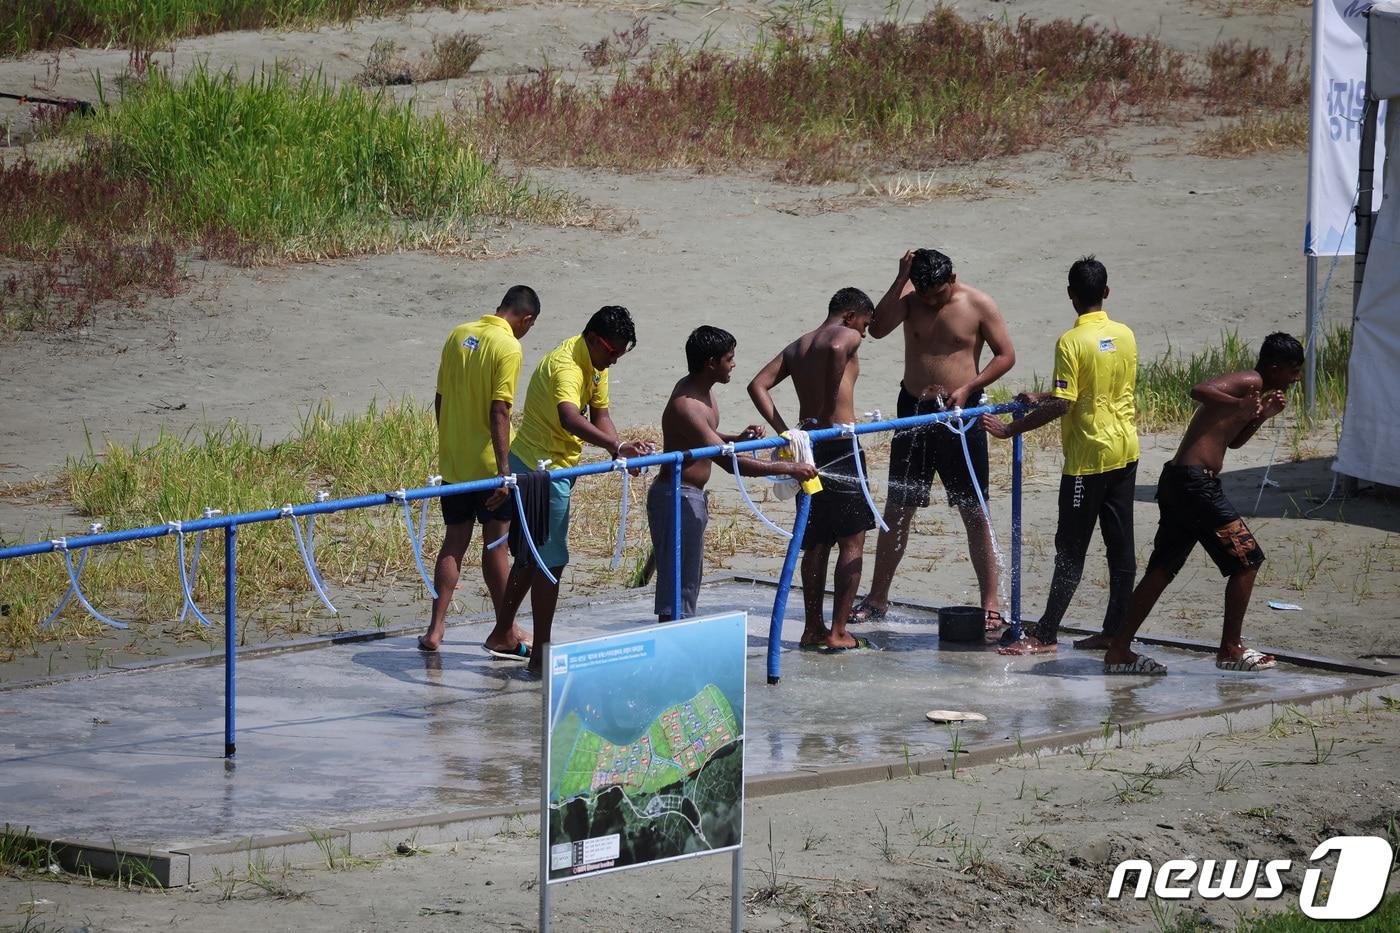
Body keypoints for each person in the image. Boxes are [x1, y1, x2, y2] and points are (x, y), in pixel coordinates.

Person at [1101, 333, 1305, 675]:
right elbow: (1197, 390)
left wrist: (1261, 415)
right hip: (1194, 485)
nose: (1296, 378)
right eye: (1293, 370)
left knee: (1163, 568)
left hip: (1184, 483)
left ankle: (1118, 650)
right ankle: (1230, 648)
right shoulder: (1249, 380)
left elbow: (1234, 440)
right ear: (1273, 367)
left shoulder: (1254, 393)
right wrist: (1237, 405)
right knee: (1248, 559)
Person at [982, 257, 1139, 655]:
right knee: (1121, 550)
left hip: (1088, 460)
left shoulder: (1071, 342)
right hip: (1126, 452)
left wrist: (1010, 429)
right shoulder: (1124, 334)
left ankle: (1046, 634)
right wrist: (1042, 395)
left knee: (1070, 548)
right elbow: (1089, 390)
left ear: (1071, 295)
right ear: (1106, 291)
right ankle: (1114, 631)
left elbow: (1064, 406)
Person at [853, 248, 1016, 630]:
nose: (932, 301)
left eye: (938, 294)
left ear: (953, 279)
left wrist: (971, 387)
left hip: (961, 414)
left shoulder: (978, 304)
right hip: (913, 411)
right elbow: (876, 329)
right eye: (924, 294)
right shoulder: (909, 302)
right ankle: (877, 598)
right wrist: (901, 278)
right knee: (898, 508)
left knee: (974, 511)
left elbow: (1006, 355)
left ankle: (989, 605)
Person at [498, 306, 652, 676]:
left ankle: (500, 632)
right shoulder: (566, 365)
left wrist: (622, 451)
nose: (614, 361)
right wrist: (615, 448)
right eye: (612, 352)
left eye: (621, 354)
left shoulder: (596, 365)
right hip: (539, 469)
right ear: (594, 339)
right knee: (551, 562)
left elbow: (600, 415)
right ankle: (541, 656)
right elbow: (571, 416)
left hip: (558, 466)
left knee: (530, 557)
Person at [650, 326, 819, 622]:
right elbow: (729, 463)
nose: (734, 364)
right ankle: (672, 646)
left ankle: (679, 636)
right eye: (729, 358)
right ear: (711, 363)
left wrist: (738, 439)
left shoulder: (704, 392)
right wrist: (790, 468)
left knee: (689, 580)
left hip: (691, 496)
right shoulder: (687, 404)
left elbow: (706, 439)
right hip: (676, 497)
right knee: (678, 586)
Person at [748, 288, 878, 651]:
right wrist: (826, 404)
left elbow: (756, 384)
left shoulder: (798, 345)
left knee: (816, 541)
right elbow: (839, 348)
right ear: (851, 316)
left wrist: (784, 430)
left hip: (808, 448)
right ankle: (838, 631)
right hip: (839, 445)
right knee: (852, 540)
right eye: (865, 326)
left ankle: (812, 628)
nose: (863, 336)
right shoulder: (845, 335)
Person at [418, 285, 540, 656]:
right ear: (527, 319)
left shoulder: (458, 334)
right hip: (490, 467)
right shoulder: (509, 347)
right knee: (496, 546)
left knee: (453, 543)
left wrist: (451, 442)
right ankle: (507, 628)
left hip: (454, 463)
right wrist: (505, 471)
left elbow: (439, 398)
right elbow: (499, 410)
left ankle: (435, 630)